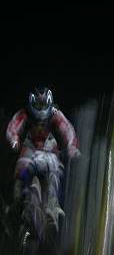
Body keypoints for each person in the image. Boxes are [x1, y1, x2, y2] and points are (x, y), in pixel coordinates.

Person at [5, 87, 80, 229]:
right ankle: (16, 204)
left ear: (49, 103)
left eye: (43, 105)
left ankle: (53, 208)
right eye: (38, 105)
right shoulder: (25, 113)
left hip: (49, 149)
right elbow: (13, 126)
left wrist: (72, 146)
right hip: (30, 148)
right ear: (31, 102)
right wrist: (13, 139)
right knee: (21, 172)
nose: (40, 110)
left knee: (55, 171)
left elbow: (67, 129)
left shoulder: (55, 114)